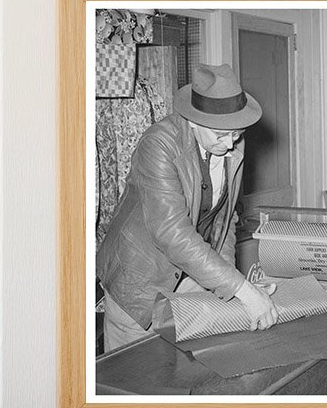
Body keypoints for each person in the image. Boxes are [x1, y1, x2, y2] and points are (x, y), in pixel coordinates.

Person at [97, 63, 277, 352]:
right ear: (194, 121)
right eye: (221, 135)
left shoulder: (231, 141)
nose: (231, 144)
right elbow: (172, 233)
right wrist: (243, 290)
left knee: (187, 366)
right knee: (135, 378)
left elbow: (225, 218)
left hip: (190, 271)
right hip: (139, 279)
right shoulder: (158, 145)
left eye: (237, 134)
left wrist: (229, 287)